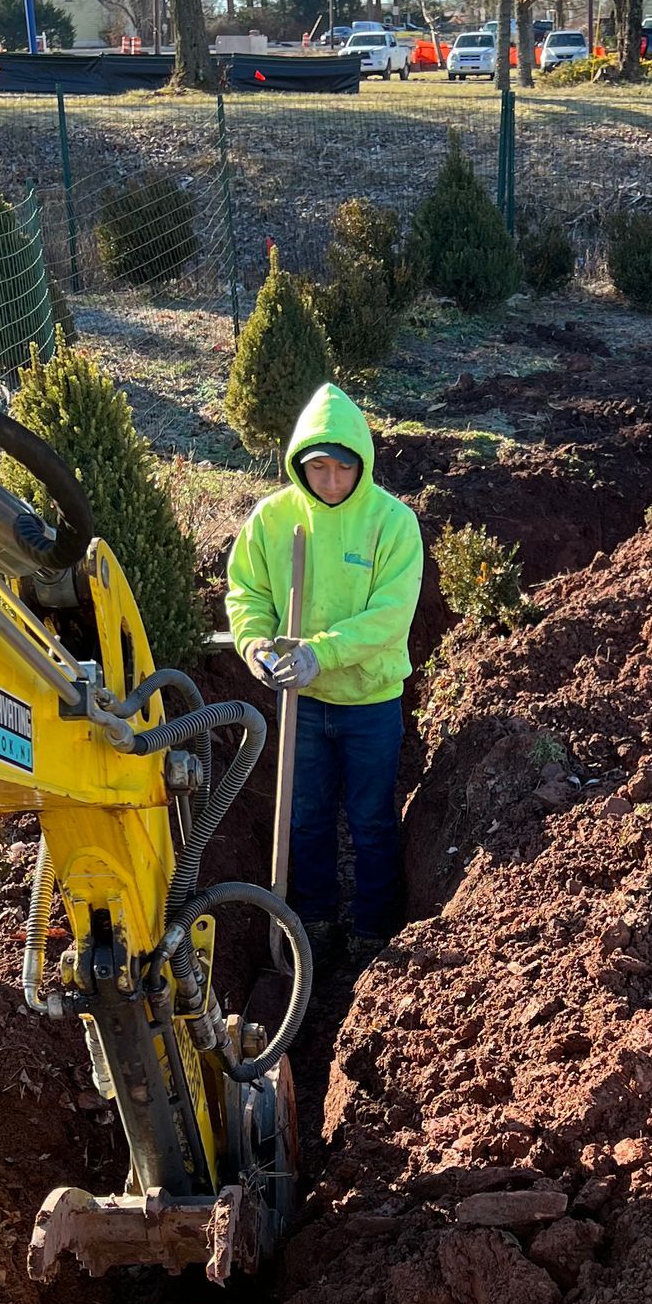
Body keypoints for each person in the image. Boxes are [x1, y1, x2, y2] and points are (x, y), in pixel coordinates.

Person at [226, 381, 424, 958]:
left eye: (341, 469)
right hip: (302, 702)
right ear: (299, 465)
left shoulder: (392, 523)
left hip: (370, 700)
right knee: (306, 816)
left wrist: (321, 653)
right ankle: (311, 920)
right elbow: (247, 592)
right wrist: (256, 645)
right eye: (318, 469)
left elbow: (389, 617)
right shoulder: (273, 520)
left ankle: (373, 928)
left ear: (360, 463)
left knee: (370, 820)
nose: (330, 481)